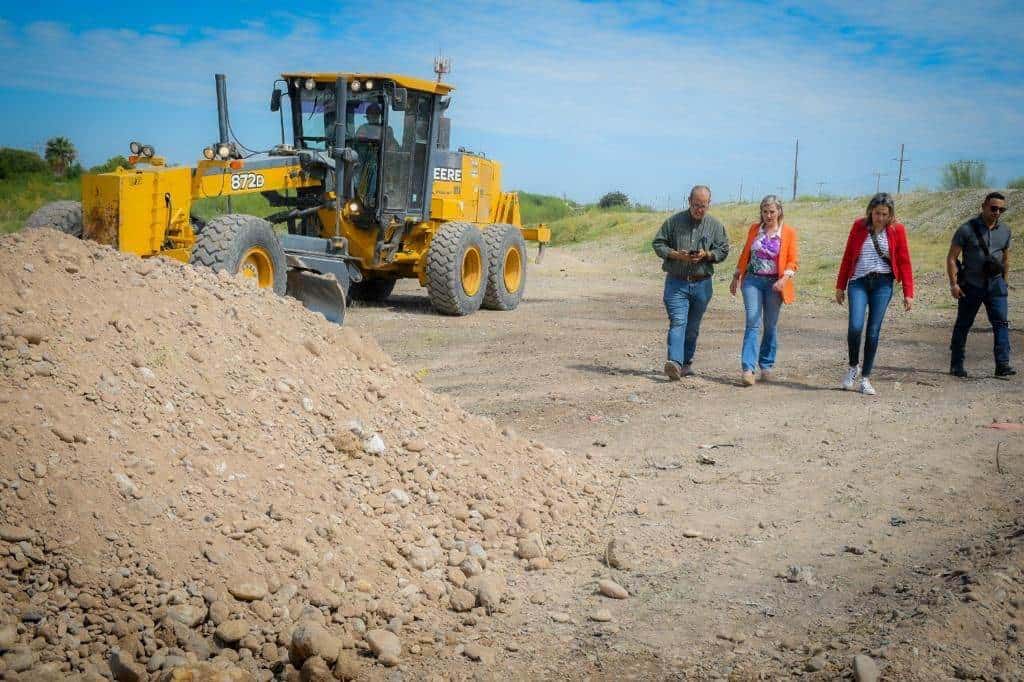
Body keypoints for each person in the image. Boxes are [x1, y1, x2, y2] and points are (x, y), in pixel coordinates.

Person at [835, 193, 914, 395]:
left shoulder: (897, 230)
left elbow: (904, 261)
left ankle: (866, 378)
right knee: (855, 327)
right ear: (870, 211)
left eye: (884, 214)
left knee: (873, 331)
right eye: (877, 213)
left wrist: (908, 292)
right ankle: (853, 367)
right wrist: (840, 285)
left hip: (883, 283)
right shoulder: (859, 226)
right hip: (858, 282)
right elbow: (847, 256)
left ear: (890, 215)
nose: (880, 217)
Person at [652, 185, 730, 380]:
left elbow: (723, 250)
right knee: (678, 321)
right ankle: (675, 364)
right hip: (676, 282)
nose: (699, 209)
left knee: (693, 327)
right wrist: (675, 254)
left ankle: (686, 363)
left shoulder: (715, 226)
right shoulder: (673, 222)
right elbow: (658, 243)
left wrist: (707, 255)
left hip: (702, 284)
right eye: (696, 205)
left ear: (709, 204)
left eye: (703, 206)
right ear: (689, 201)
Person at [729, 195, 799, 386]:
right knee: (752, 321)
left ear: (779, 211)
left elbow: (793, 261)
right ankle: (748, 369)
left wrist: (784, 279)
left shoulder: (788, 232)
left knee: (770, 324)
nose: (768, 215)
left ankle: (766, 365)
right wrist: (736, 276)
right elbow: (746, 254)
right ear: (761, 212)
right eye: (765, 211)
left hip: (775, 284)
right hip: (752, 281)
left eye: (772, 211)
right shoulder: (754, 229)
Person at [947, 192, 1014, 378]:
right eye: (993, 208)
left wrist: (1005, 282)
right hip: (971, 285)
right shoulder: (966, 229)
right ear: (983, 206)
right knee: (963, 324)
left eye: (1001, 209)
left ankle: (1002, 364)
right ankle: (956, 364)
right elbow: (952, 258)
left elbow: (1006, 257)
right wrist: (954, 284)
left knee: (1001, 323)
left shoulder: (1005, 231)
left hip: (996, 286)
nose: (997, 212)